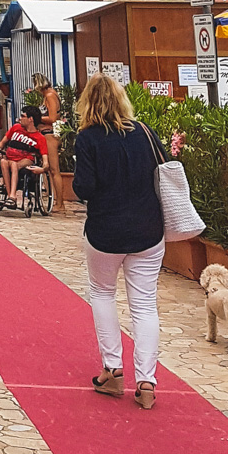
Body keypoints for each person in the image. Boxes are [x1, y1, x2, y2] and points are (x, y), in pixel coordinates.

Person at [73, 72, 166, 410]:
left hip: (105, 231)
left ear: (87, 102)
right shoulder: (144, 132)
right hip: (148, 229)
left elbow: (82, 188)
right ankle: (147, 381)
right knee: (144, 304)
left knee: (102, 292)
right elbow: (163, 171)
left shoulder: (87, 139)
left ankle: (112, 371)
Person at [0, 103, 48, 206]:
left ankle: (12, 196)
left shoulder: (39, 138)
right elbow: (2, 143)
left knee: (13, 165)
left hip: (26, 159)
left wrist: (43, 169)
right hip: (9, 158)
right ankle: (10, 196)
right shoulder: (16, 128)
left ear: (31, 119)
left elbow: (45, 161)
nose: (19, 118)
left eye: (23, 116)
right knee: (3, 162)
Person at [31, 72, 68, 214]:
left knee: (54, 169)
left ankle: (60, 202)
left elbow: (53, 118)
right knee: (50, 169)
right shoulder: (49, 96)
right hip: (45, 134)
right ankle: (53, 197)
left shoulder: (50, 96)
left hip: (50, 134)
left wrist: (38, 118)